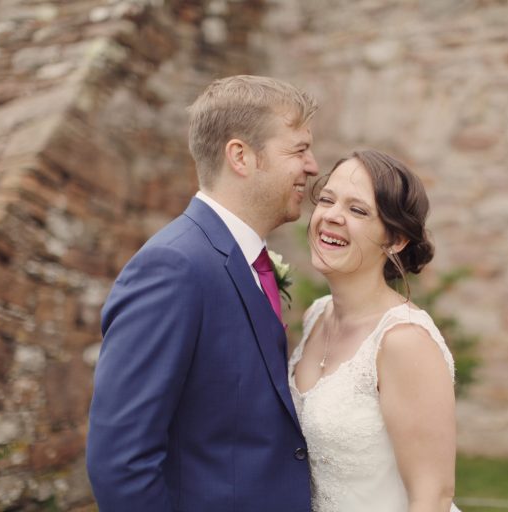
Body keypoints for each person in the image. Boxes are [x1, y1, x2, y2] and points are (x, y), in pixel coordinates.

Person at [86, 75, 319, 512]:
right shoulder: (173, 268)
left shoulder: (245, 261)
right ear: (241, 157)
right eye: (299, 150)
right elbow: (120, 462)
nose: (313, 166)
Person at [289, 149, 461, 512]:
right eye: (326, 200)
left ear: (395, 240)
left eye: (357, 210)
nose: (332, 216)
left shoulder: (404, 341)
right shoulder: (317, 316)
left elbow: (432, 496)